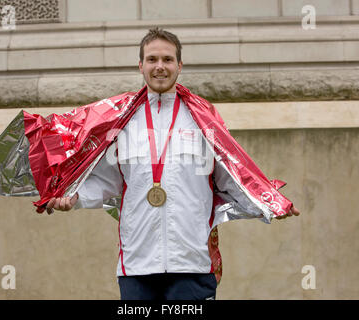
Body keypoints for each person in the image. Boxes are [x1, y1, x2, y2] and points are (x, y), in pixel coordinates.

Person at [43, 27, 300, 300]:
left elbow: (229, 177)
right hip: (137, 265)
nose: (160, 67)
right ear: (140, 66)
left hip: (193, 264)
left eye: (167, 60)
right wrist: (75, 197)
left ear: (179, 65)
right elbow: (110, 181)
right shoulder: (123, 121)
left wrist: (267, 203)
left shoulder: (203, 118)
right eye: (152, 59)